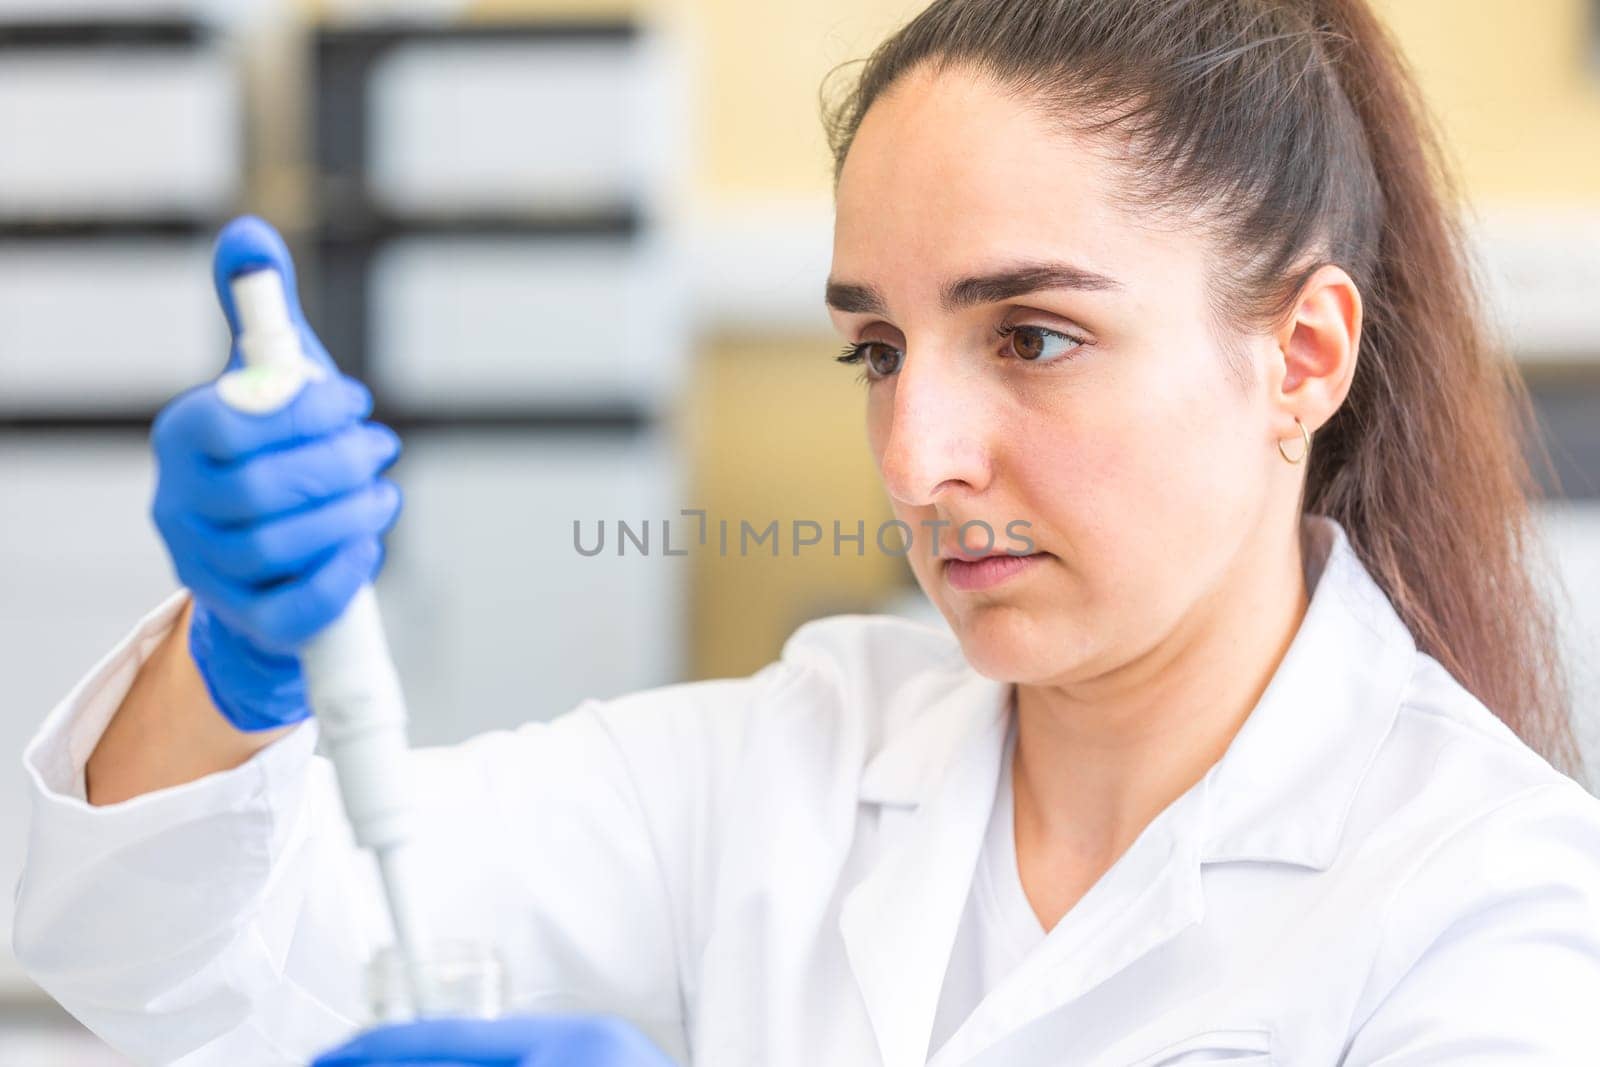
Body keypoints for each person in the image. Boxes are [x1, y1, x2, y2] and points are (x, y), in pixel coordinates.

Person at [13, 0, 1600, 1063]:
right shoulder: (798, 760)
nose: (916, 458)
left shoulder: (1499, 907)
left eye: (1033, 337)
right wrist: (236, 669)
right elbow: (174, 968)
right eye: (878, 349)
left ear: (1302, 356)